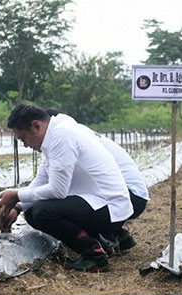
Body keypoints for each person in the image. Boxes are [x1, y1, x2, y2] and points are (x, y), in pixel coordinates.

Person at [0, 105, 133, 272]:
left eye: (23, 139)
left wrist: (16, 195)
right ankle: (101, 245)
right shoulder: (54, 134)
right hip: (96, 200)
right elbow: (42, 179)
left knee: (42, 212)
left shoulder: (61, 136)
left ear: (36, 126)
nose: (25, 145)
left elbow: (57, 190)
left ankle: (94, 255)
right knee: (31, 212)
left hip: (109, 205)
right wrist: (18, 207)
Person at [44, 108, 149, 252]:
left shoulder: (66, 138)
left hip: (129, 197)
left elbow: (60, 186)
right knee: (76, 199)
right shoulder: (80, 133)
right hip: (136, 194)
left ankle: (96, 246)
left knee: (52, 209)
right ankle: (116, 234)